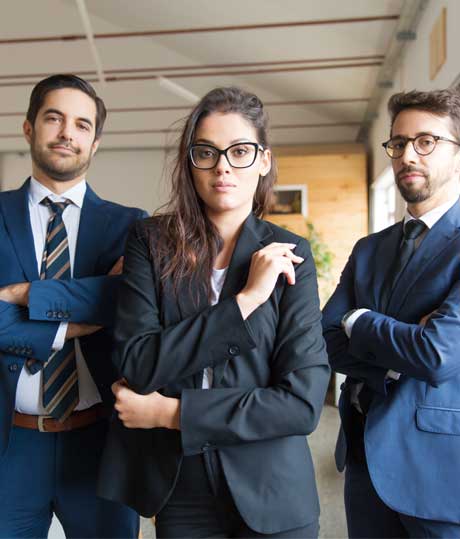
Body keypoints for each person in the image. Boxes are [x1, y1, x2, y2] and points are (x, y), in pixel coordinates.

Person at [97, 86, 330, 538]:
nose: (222, 166)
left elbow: (301, 404)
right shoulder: (151, 242)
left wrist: (172, 413)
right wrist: (245, 301)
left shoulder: (289, 253)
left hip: (272, 490)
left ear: (263, 161)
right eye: (206, 152)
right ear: (190, 163)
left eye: (239, 151)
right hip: (180, 487)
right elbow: (139, 363)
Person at [0, 74, 145, 538]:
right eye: (54, 118)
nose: (67, 132)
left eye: (82, 125)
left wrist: (22, 296)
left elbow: (127, 305)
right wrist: (83, 316)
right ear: (28, 127)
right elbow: (106, 302)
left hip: (101, 444)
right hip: (10, 445)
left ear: (95, 142)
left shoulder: (133, 227)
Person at [322, 87, 460, 538]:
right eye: (398, 143)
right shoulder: (369, 249)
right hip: (364, 457)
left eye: (426, 141)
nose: (407, 155)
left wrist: (358, 320)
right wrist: (402, 353)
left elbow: (437, 354)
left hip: (439, 467)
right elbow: (326, 340)